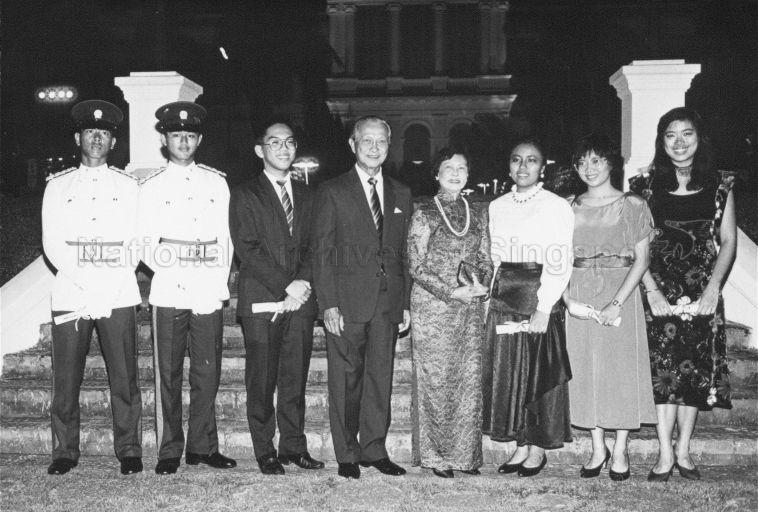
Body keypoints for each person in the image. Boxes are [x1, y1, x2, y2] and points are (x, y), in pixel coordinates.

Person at [630, 107, 737, 482]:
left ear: (698, 138)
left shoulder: (721, 185)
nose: (679, 142)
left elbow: (727, 242)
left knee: (693, 371)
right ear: (661, 142)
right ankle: (663, 453)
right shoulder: (643, 186)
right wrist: (652, 292)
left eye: (686, 134)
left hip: (701, 291)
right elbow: (635, 244)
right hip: (657, 288)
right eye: (670, 135)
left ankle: (684, 451)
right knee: (663, 372)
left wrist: (712, 290)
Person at [42, 100, 143, 476]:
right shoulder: (57, 186)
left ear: (113, 141)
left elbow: (136, 243)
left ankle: (129, 449)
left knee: (124, 376)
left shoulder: (129, 186)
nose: (96, 138)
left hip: (118, 292)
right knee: (66, 378)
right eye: (90, 132)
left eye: (104, 133)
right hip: (71, 290)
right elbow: (52, 244)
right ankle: (64, 451)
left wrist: (107, 287)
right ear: (77, 138)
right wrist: (87, 286)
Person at [311, 116, 412, 479]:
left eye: (380, 141)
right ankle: (347, 454)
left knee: (379, 379)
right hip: (346, 303)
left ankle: (374, 450)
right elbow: (321, 252)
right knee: (345, 381)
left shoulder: (401, 193)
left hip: (387, 304)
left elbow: (403, 254)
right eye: (366, 141)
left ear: (389, 146)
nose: (373, 147)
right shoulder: (332, 190)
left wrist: (403, 303)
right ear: (352, 145)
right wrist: (328, 304)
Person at [139, 101, 236, 475]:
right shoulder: (150, 186)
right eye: (177, 135)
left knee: (207, 372)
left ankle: (202, 446)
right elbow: (144, 241)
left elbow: (225, 239)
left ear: (199, 140)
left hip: (206, 286)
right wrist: (173, 270)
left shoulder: (216, 181)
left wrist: (216, 282)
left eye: (190, 135)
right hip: (169, 288)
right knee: (169, 373)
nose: (184, 141)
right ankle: (169, 449)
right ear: (165, 139)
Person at [229, 121, 324, 475]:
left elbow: (318, 244)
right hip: (263, 299)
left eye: (289, 143)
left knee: (294, 377)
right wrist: (289, 284)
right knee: (262, 378)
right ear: (260, 150)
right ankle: (265, 450)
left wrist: (302, 282)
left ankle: (293, 447)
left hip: (300, 302)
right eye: (274, 143)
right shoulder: (245, 194)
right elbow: (248, 249)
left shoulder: (309, 194)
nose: (283, 149)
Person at [563, 134, 657, 481]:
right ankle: (597, 446)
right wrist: (567, 299)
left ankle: (620, 448)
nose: (589, 168)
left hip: (621, 291)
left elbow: (643, 259)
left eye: (596, 160)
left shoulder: (632, 204)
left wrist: (618, 302)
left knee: (619, 369)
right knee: (586, 367)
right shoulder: (569, 205)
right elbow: (557, 259)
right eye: (582, 162)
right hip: (580, 290)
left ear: (610, 163)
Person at [484, 138, 574, 477]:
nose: (523, 167)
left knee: (538, 372)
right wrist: (488, 298)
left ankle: (537, 448)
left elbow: (561, 258)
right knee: (511, 373)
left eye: (531, 160)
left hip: (538, 294)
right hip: (504, 296)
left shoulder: (555, 205)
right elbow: (494, 256)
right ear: (509, 165)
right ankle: (519, 446)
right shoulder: (497, 205)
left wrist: (544, 306)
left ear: (542, 166)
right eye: (516, 160)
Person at [407, 149, 492, 478]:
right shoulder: (425, 211)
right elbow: (416, 265)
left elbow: (485, 257)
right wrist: (449, 290)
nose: (456, 173)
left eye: (462, 168)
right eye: (448, 168)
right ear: (436, 174)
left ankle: (465, 456)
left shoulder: (478, 212)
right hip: (433, 307)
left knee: (468, 381)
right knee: (437, 381)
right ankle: (435, 456)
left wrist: (479, 284)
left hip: (468, 308)